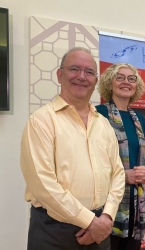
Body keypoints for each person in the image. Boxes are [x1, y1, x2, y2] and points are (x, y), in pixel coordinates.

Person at [20, 47, 126, 250]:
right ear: (60, 75)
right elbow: (43, 184)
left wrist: (106, 216)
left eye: (89, 72)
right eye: (74, 69)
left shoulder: (103, 124)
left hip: (101, 227)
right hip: (55, 231)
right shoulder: (41, 121)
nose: (81, 77)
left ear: (95, 81)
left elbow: (118, 173)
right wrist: (91, 222)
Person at [96, 63, 145, 250]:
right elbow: (92, 159)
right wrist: (123, 175)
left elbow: (143, 154)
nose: (126, 82)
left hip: (136, 200)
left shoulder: (140, 119)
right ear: (109, 84)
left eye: (131, 78)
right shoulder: (98, 114)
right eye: (120, 77)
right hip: (108, 203)